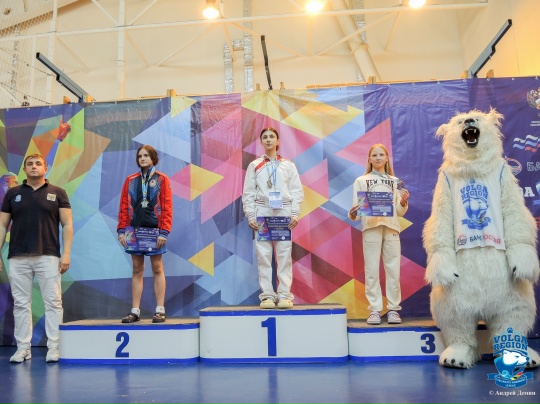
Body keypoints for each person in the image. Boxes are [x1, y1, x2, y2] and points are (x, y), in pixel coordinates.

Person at [0, 154, 73, 363]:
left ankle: (54, 347)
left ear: (45, 168)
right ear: (24, 169)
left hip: (48, 256)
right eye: (30, 164)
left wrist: (66, 254)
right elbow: (2, 225)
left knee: (53, 303)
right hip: (18, 257)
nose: (34, 167)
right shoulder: (13, 193)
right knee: (21, 304)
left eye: (38, 163)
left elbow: (67, 224)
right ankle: (23, 348)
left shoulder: (58, 192)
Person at [242, 127, 304, 309]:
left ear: (278, 141)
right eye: (265, 137)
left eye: (272, 137)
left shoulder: (288, 165)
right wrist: (251, 215)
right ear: (261, 142)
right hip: (262, 213)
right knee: (264, 256)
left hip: (283, 213)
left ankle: (284, 295)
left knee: (284, 255)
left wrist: (294, 213)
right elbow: (248, 192)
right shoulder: (255, 165)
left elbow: (296, 191)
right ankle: (267, 296)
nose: (268, 139)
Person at [348, 144, 409, 325]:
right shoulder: (361, 180)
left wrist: (403, 202)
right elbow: (356, 212)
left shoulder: (396, 181)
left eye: (381, 154)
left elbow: (399, 212)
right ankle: (374, 309)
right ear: (369, 159)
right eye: (374, 155)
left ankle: (393, 309)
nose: (378, 158)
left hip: (391, 227)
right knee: (372, 270)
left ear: (387, 158)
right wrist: (353, 212)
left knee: (393, 270)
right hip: (371, 227)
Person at [117, 145, 173, 323]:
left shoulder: (162, 179)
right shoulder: (131, 180)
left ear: (153, 158)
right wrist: (121, 230)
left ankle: (160, 310)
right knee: (137, 269)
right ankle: (135, 311)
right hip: (134, 231)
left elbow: (167, 207)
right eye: (140, 156)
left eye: (146, 155)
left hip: (155, 231)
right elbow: (124, 206)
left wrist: (164, 232)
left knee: (157, 268)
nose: (142, 158)